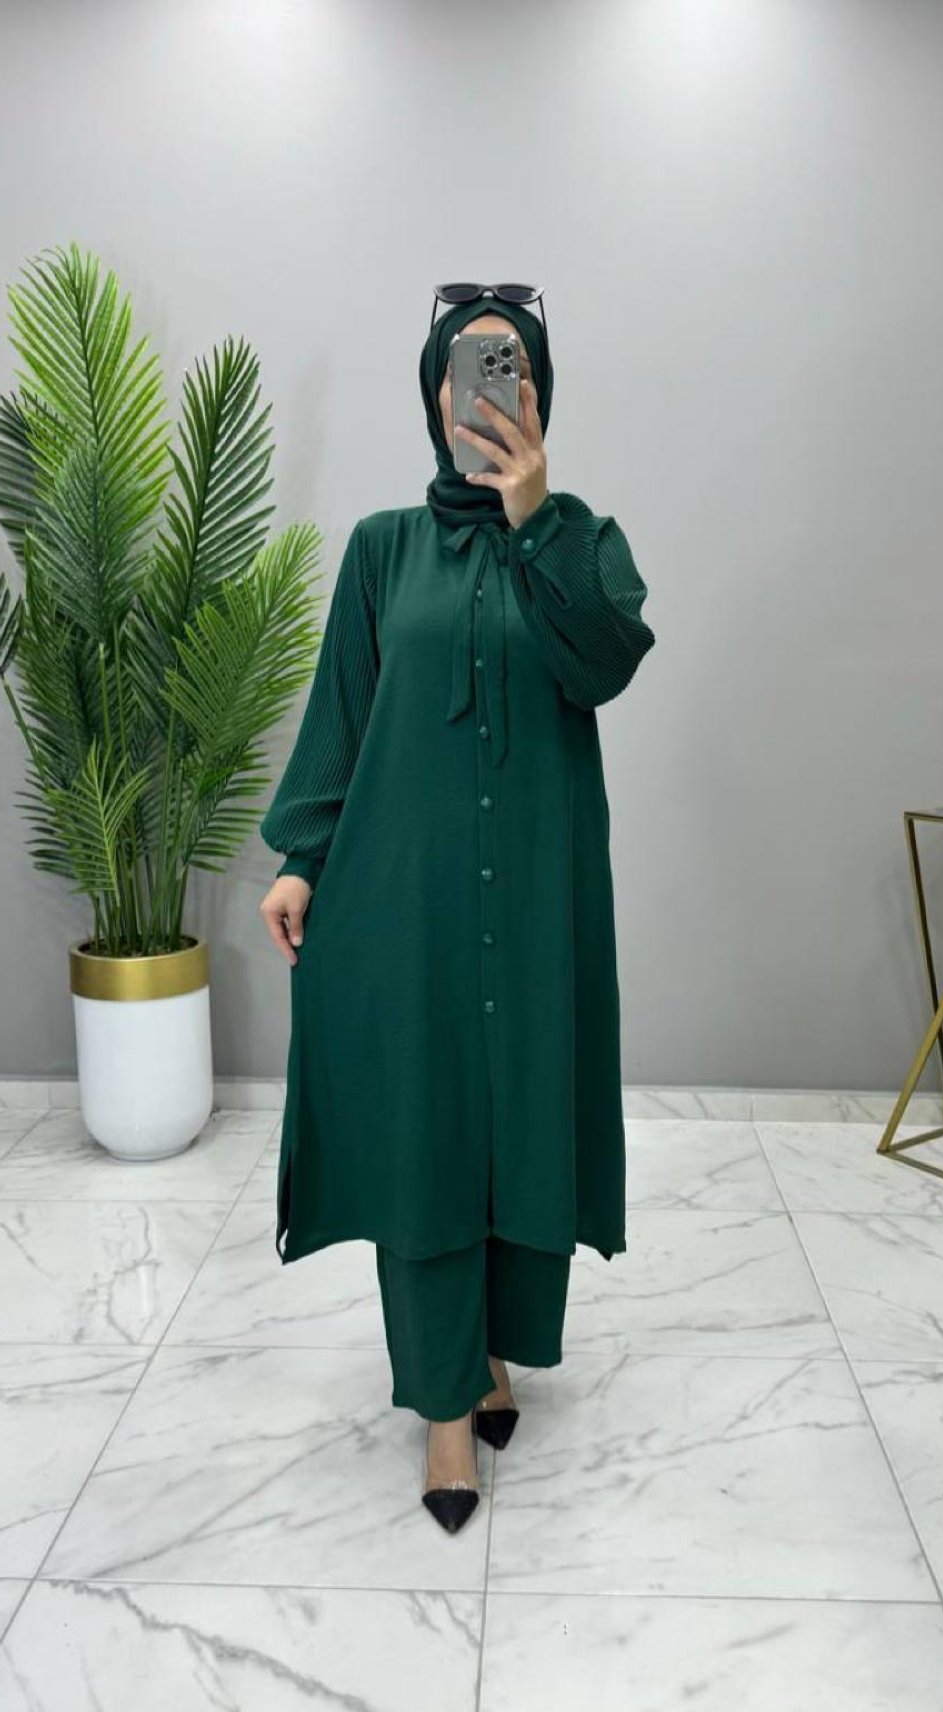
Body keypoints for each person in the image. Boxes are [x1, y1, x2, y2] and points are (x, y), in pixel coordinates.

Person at [259, 288, 656, 1533]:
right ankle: (444, 1408)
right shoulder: (381, 548)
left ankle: (490, 1352)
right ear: (434, 395)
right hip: (409, 899)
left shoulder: (584, 540)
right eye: (465, 371)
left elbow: (604, 661)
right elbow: (344, 708)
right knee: (428, 1130)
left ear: (538, 392)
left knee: (519, 1115)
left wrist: (534, 517)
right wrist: (302, 857)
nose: (484, 391)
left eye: (509, 368)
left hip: (536, 896)